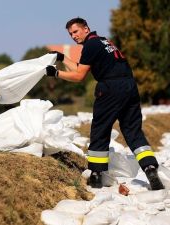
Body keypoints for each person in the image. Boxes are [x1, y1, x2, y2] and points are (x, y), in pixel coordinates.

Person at [45, 17, 164, 190]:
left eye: (76, 31)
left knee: (100, 130)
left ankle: (96, 175)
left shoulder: (90, 46)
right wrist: (62, 57)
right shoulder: (103, 42)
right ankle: (150, 167)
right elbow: (81, 68)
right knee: (133, 130)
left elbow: (79, 76)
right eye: (70, 34)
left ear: (86, 28)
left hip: (110, 88)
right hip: (130, 87)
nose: (73, 36)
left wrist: (55, 74)